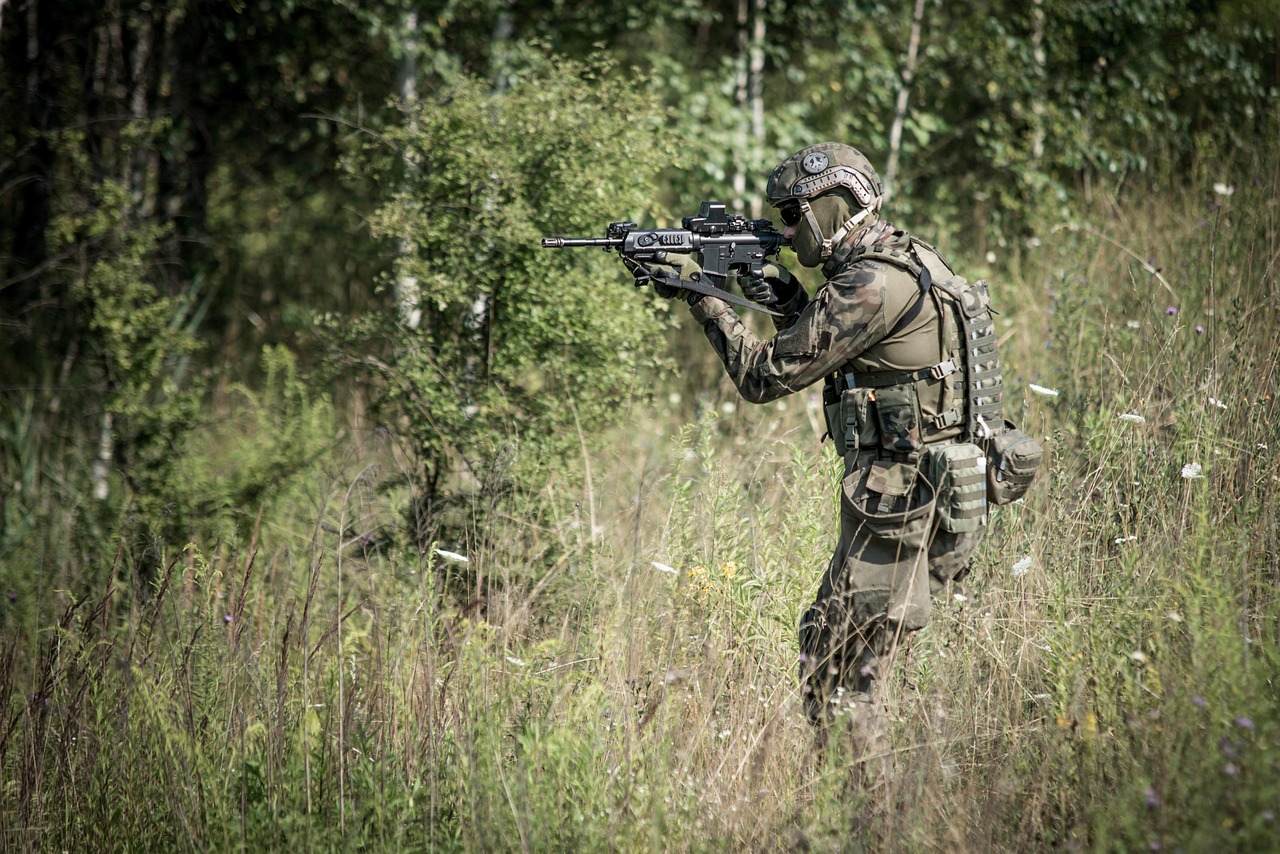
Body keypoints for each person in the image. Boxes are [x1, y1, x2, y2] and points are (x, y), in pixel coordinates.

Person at [638, 142, 1008, 739]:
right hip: (932, 492)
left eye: (793, 215)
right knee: (843, 660)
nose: (786, 231)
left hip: (901, 501)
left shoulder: (869, 283)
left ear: (831, 206)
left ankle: (860, 796)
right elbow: (860, 353)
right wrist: (789, 301)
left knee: (836, 676)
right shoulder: (907, 257)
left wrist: (702, 298)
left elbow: (764, 376)